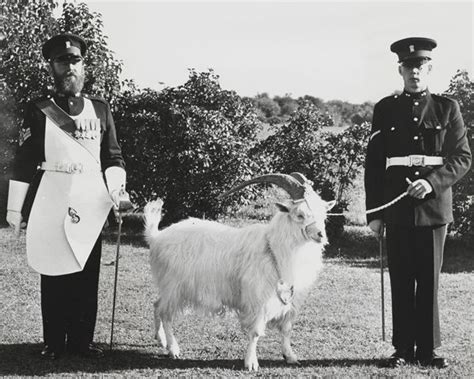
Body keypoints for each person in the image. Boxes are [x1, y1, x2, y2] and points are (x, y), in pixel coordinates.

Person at [6, 33, 128, 360]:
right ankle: (54, 342)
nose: (69, 67)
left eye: (75, 61)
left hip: (91, 199)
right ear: (52, 67)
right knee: (54, 271)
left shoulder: (100, 109)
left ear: (83, 65)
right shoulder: (39, 109)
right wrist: (14, 210)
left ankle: (81, 342)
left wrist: (117, 190)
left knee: (87, 274)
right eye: (62, 62)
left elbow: (112, 158)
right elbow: (24, 161)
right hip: (52, 195)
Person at [364, 37, 471, 369]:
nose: (415, 73)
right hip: (396, 208)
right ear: (400, 70)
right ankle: (401, 349)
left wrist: (431, 182)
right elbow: (374, 165)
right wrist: (375, 213)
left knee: (428, 279)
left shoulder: (446, 107)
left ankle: (427, 350)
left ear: (430, 69)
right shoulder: (385, 108)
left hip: (433, 208)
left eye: (421, 67)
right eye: (409, 67)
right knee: (400, 278)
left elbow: (462, 157)